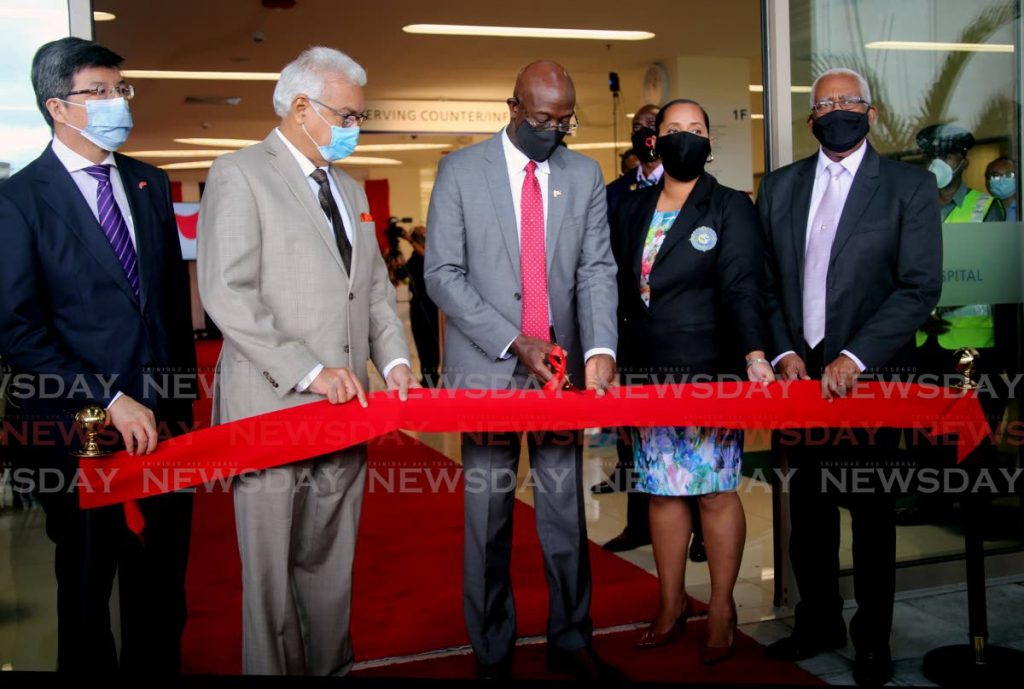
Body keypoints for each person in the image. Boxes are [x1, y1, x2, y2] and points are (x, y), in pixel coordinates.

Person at [197, 46, 417, 676]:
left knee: (330, 563)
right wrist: (308, 370)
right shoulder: (240, 174)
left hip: (347, 413)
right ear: (301, 108)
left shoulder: (349, 188)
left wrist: (395, 360)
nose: (355, 128)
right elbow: (226, 293)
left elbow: (371, 290)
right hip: (272, 409)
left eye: (360, 116)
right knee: (269, 578)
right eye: (347, 115)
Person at [0, 37, 196, 672]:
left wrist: (180, 405)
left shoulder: (148, 182)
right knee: (87, 588)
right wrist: (109, 399)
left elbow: (165, 307)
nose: (118, 103)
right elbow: (18, 331)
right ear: (60, 106)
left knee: (162, 589)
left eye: (121, 89)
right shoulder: (19, 201)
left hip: (164, 427)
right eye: (101, 91)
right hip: (76, 433)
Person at [424, 60, 620, 681]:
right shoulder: (460, 171)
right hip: (488, 370)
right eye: (542, 119)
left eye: (565, 121)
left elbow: (595, 269)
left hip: (558, 375)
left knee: (565, 512)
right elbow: (442, 276)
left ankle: (569, 638)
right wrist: (514, 341)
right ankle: (491, 651)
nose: (555, 131)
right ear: (513, 108)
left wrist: (600, 352)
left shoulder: (583, 174)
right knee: (489, 518)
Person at [760, 68, 942, 687]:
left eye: (848, 100)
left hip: (871, 381)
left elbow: (918, 287)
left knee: (871, 516)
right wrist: (784, 352)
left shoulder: (908, 187)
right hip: (800, 383)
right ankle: (817, 623)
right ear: (810, 118)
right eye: (825, 103)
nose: (837, 109)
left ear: (870, 111)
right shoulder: (780, 187)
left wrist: (855, 357)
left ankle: (872, 638)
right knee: (807, 516)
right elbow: (766, 284)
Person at [612, 98, 774, 663]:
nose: (685, 137)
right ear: (655, 140)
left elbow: (743, 285)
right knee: (660, 492)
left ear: (710, 142)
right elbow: (614, 289)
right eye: (673, 129)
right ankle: (670, 601)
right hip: (646, 376)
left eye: (696, 129)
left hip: (708, 373)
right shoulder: (630, 207)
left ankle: (723, 606)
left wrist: (756, 353)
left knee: (711, 490)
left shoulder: (730, 206)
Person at [605, 104, 664, 218]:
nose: (643, 132)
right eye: (637, 127)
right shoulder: (614, 191)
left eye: (652, 126)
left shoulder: (681, 183)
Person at [404, 225, 441, 386]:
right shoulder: (413, 260)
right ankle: (428, 379)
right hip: (419, 310)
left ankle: (432, 377)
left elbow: (427, 256)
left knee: (433, 347)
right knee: (423, 346)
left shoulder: (433, 256)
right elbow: (397, 275)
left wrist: (410, 240)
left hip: (434, 308)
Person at [984, 156, 1017, 222]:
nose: (1002, 180)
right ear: (987, 182)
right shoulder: (980, 210)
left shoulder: (1021, 210)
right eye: (996, 176)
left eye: (1009, 175)